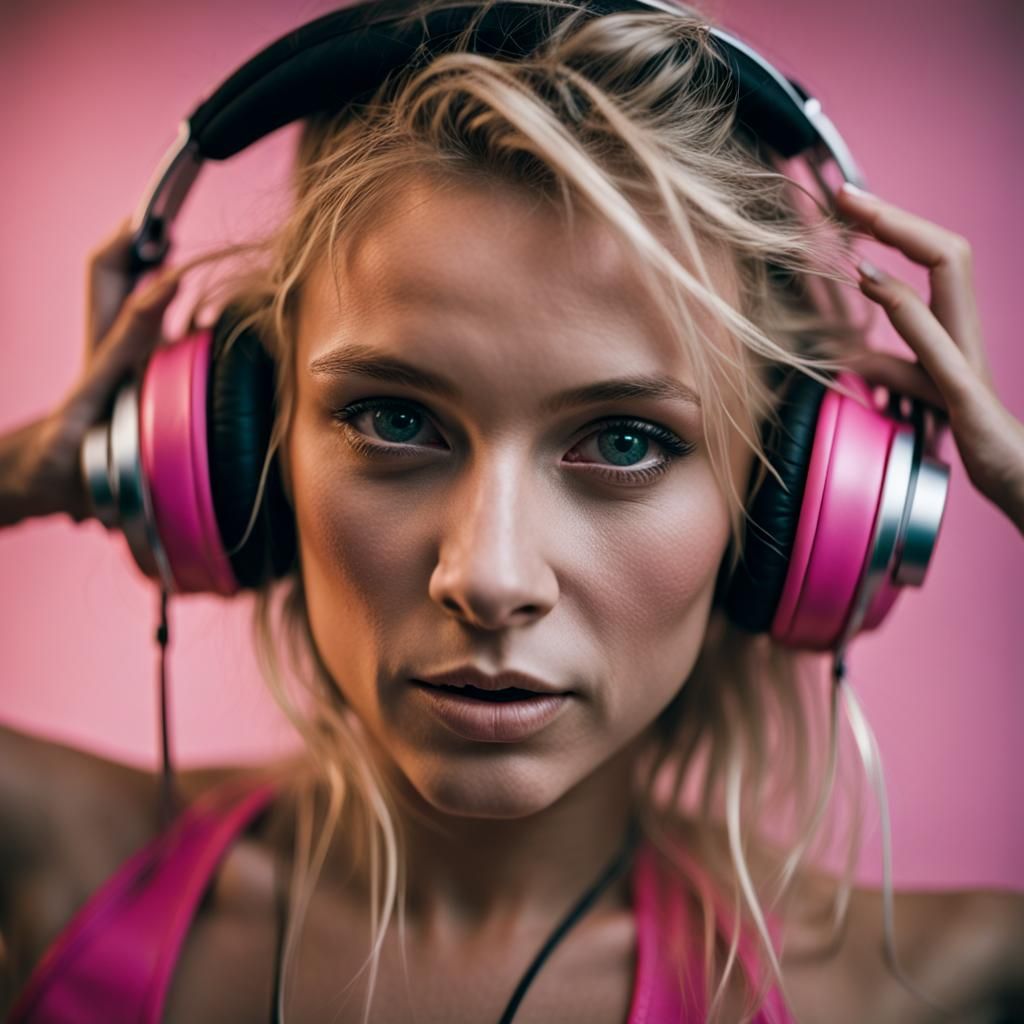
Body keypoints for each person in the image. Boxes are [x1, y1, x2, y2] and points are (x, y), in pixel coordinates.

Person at [1, 0, 1022, 1021]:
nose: (489, 578)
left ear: (792, 506)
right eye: (395, 419)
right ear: (236, 452)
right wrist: (38, 466)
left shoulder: (925, 989)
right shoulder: (57, 871)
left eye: (625, 440)